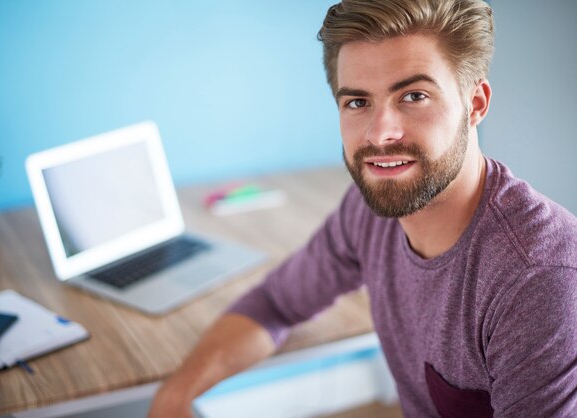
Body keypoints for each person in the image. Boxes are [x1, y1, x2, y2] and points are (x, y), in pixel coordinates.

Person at [148, 0, 577, 416]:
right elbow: (277, 304)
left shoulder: (538, 278)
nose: (379, 133)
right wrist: (175, 396)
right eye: (357, 102)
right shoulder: (371, 208)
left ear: (476, 104)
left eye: (413, 96)